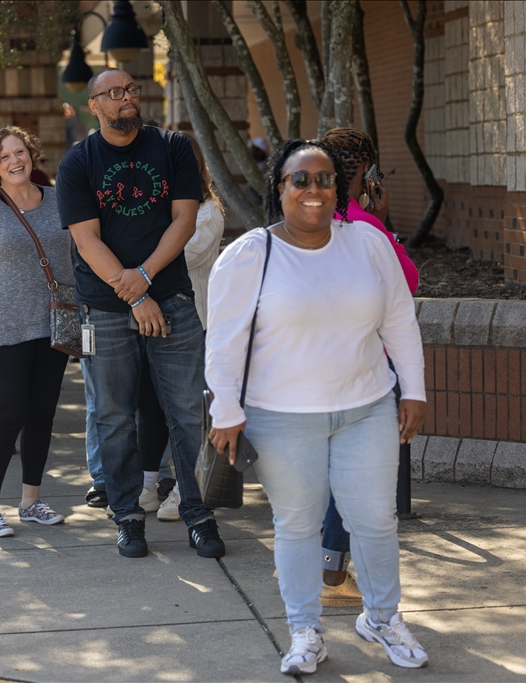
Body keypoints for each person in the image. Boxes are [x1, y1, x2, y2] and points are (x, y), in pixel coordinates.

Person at [205, 139, 428, 675]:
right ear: (278, 188)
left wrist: (413, 389)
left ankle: (381, 619)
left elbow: (398, 318)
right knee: (298, 526)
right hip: (281, 417)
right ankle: (305, 631)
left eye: (324, 179)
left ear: (338, 187)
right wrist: (226, 411)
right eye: (299, 179)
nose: (312, 189)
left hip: (368, 407)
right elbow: (224, 342)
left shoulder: (367, 244)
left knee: (374, 521)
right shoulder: (250, 254)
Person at [56, 68, 225, 560]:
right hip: (105, 306)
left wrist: (147, 279)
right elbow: (86, 239)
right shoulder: (79, 162)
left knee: (187, 412)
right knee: (112, 416)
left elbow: (185, 220)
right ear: (95, 105)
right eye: (114, 93)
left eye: (131, 89)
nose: (127, 98)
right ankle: (128, 516)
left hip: (169, 298)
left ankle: (199, 514)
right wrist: (133, 296)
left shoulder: (171, 147)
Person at [317, 127, 421, 604]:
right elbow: (407, 283)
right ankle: (331, 575)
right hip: (363, 366)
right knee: (354, 473)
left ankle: (315, 569)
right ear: (362, 172)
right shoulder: (363, 222)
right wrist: (386, 223)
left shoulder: (304, 213)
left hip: (313, 361)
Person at [0, 126, 72, 537]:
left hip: (54, 325)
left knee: (42, 415)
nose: (15, 161)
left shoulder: (59, 201)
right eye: (5, 156)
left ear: (32, 154)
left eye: (20, 152)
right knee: (6, 413)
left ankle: (31, 501)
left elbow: (78, 256)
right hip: (5, 328)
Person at [156, 132, 225, 522]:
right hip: (161, 319)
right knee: (159, 408)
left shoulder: (208, 212)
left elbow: (181, 256)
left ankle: (190, 487)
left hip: (195, 320)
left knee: (190, 410)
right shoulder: (166, 207)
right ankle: (159, 481)